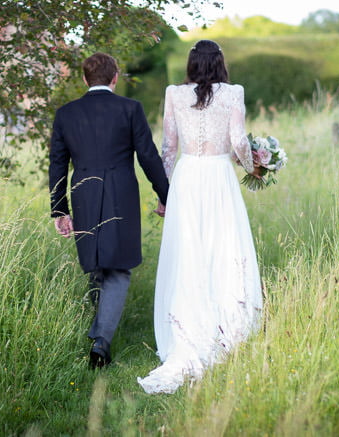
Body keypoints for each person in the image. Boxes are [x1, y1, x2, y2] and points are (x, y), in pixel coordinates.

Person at [137, 39, 263, 394]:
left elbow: (169, 146)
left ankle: (186, 329)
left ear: (192, 64)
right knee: (225, 247)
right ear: (220, 63)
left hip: (188, 178)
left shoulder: (174, 93)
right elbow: (238, 138)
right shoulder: (233, 92)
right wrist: (252, 165)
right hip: (220, 176)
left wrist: (165, 193)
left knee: (189, 252)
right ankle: (229, 325)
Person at [49, 52, 169, 369]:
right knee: (114, 267)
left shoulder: (66, 114)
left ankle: (101, 334)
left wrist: (59, 209)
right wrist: (166, 195)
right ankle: (101, 342)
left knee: (101, 263)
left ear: (85, 79)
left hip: (83, 194)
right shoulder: (130, 109)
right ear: (115, 77)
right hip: (121, 194)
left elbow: (57, 165)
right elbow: (148, 156)